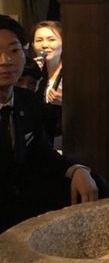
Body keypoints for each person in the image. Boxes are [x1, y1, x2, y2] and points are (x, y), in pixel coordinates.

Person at [0, 14, 98, 234]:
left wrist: (76, 170)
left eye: (14, 50)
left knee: (93, 184)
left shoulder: (27, 100)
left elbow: (41, 152)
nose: (5, 60)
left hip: (21, 198)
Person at [32, 20, 63, 148]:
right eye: (39, 40)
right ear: (33, 45)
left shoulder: (73, 74)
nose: (45, 45)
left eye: (51, 39)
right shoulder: (32, 74)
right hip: (39, 142)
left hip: (65, 141)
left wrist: (65, 103)